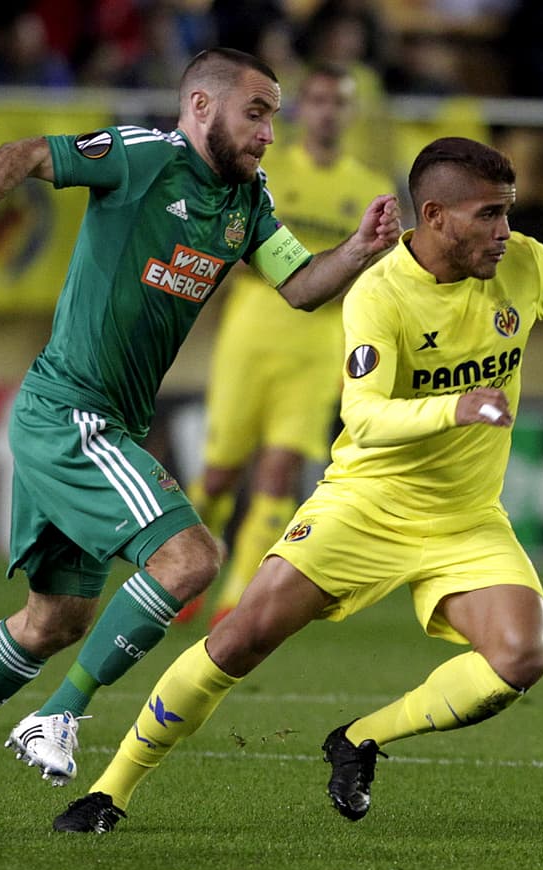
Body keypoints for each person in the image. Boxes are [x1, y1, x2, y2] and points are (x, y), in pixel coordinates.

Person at [51, 136, 543, 833]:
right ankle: (111, 789)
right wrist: (456, 407)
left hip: (465, 517)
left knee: (520, 657)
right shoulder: (379, 293)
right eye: (488, 215)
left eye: (509, 213)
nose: (505, 232)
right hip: (366, 504)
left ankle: (360, 738)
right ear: (434, 216)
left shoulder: (524, 265)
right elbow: (365, 417)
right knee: (243, 637)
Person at [0, 47, 401, 816]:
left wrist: (357, 250)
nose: (269, 133)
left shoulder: (247, 202)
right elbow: (24, 154)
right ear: (203, 108)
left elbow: (297, 285)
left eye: (274, 117)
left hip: (105, 419)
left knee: (55, 622)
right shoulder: (141, 157)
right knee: (190, 560)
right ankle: (60, 715)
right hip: (69, 410)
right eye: (257, 112)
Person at [178, 62, 394, 628]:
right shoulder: (263, 173)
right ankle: (186, 573)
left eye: (339, 102)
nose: (328, 111)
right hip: (251, 333)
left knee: (278, 475)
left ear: (351, 113)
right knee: (221, 473)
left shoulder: (369, 189)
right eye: (318, 100)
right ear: (302, 109)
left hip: (320, 344)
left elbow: (379, 274)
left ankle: (236, 604)